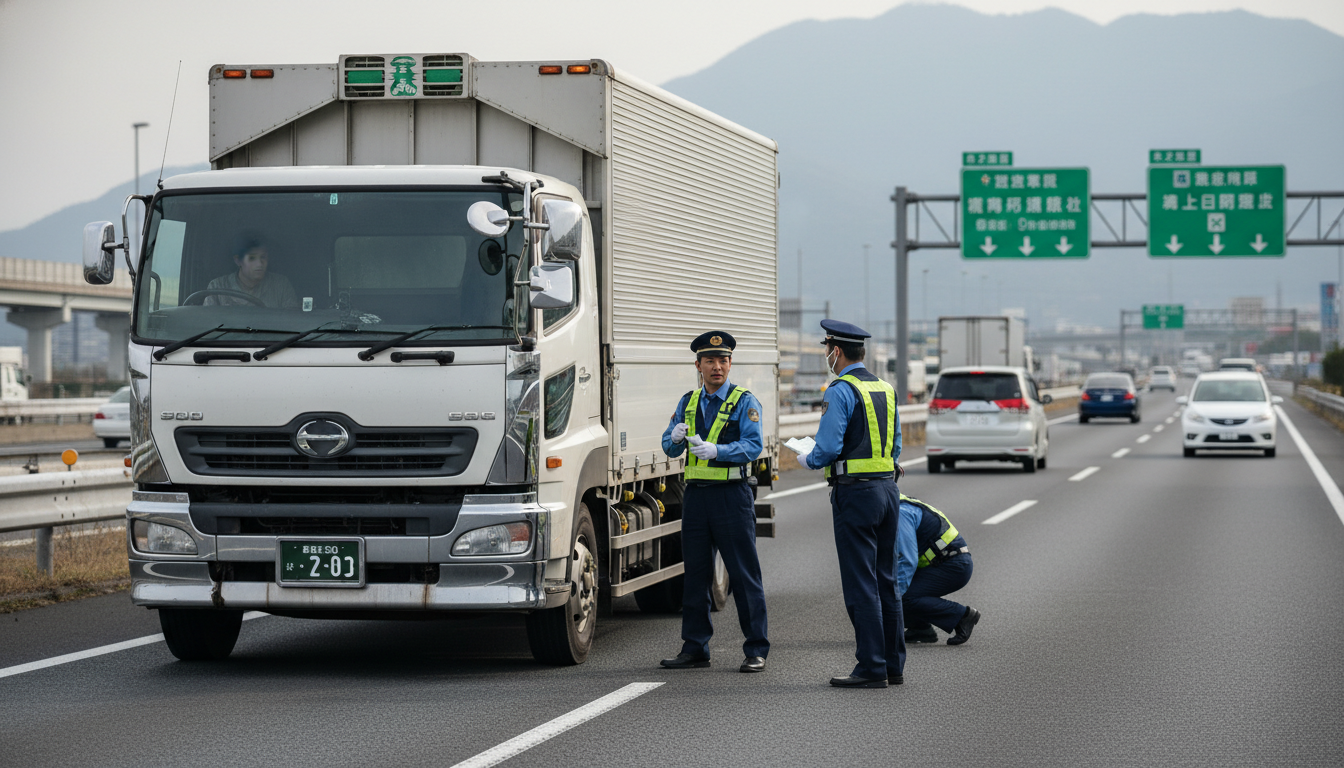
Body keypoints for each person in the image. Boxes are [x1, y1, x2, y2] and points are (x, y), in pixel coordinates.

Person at [801, 319, 905, 688]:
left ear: (837, 351)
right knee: (887, 581)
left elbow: (827, 447)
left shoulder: (840, 390)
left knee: (862, 584)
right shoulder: (886, 388)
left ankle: (871, 667)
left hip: (855, 493)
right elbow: (896, 447)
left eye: (827, 349)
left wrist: (807, 459)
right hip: (888, 491)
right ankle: (893, 665)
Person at [658, 331, 770, 673]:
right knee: (695, 575)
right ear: (698, 365)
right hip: (696, 498)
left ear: (730, 363)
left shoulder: (744, 401)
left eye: (723, 360)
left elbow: (753, 446)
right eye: (710, 361)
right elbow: (669, 445)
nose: (717, 367)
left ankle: (756, 648)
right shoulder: (688, 401)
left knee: (743, 575)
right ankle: (695, 647)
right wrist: (673, 439)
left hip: (731, 498)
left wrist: (719, 451)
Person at [896, 493, 980, 646]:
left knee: (901, 596)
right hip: (944, 561)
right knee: (896, 590)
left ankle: (962, 616)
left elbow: (907, 560)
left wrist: (895, 596)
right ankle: (920, 628)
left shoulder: (901, 513)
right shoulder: (899, 503)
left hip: (953, 565)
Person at [204, 238, 299, 308]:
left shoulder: (281, 285)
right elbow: (208, 324)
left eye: (263, 257)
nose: (260, 264)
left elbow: (292, 322)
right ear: (238, 261)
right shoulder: (217, 287)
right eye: (252, 258)